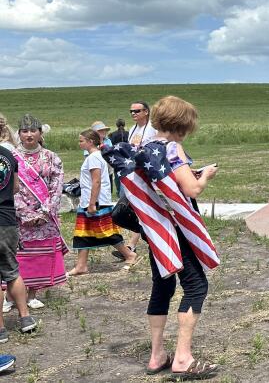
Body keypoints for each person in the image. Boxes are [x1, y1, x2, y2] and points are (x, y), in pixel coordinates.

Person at [128, 96, 220, 379]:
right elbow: (191, 189)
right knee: (195, 286)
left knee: (162, 286)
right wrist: (205, 175)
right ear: (183, 125)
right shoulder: (171, 148)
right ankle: (183, 357)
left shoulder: (144, 146)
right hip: (178, 228)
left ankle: (157, 356)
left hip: (156, 229)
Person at [12, 115, 67, 310]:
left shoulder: (52, 157)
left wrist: (45, 212)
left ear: (40, 133)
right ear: (19, 134)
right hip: (19, 218)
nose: (29, 135)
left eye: (33, 130)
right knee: (17, 257)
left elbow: (57, 185)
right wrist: (25, 213)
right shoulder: (10, 158)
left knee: (40, 257)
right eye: (24, 131)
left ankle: (33, 293)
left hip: (46, 217)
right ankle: (11, 297)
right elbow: (7, 187)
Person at [67, 130, 137, 276]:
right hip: (89, 201)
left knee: (106, 232)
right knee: (82, 234)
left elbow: (96, 181)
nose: (79, 143)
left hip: (95, 202)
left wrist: (92, 203)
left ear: (90, 141)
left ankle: (129, 255)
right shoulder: (96, 156)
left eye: (81, 140)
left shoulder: (93, 158)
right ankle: (81, 265)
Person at [0, 141, 39, 338]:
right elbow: (15, 187)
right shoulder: (9, 155)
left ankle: (0, 329)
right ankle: (25, 318)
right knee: (12, 271)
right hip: (7, 219)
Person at [116, 101, 157, 257]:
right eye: (131, 111)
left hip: (146, 172)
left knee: (141, 208)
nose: (133, 113)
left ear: (146, 111)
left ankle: (133, 245)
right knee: (124, 209)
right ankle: (139, 242)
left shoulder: (153, 127)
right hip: (131, 172)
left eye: (137, 111)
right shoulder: (133, 129)